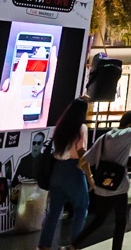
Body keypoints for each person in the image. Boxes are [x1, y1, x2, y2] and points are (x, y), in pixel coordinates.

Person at [70, 110, 131, 250]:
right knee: (121, 221)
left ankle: (74, 245)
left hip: (101, 188)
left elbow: (84, 160)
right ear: (129, 125)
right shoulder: (127, 133)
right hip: (119, 187)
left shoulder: (104, 137)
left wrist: (88, 175)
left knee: (98, 220)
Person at [38, 97, 91, 250]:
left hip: (57, 171)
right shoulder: (81, 128)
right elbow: (81, 153)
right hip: (72, 171)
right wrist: (90, 177)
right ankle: (74, 244)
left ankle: (44, 246)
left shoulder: (60, 127)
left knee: (54, 211)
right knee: (81, 207)